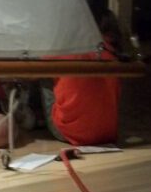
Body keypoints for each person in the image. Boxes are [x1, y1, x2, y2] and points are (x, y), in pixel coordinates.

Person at [39, 10, 122, 146]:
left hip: (69, 133)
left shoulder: (69, 49)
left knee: (40, 72)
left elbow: (32, 72)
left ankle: (35, 119)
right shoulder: (115, 55)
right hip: (108, 133)